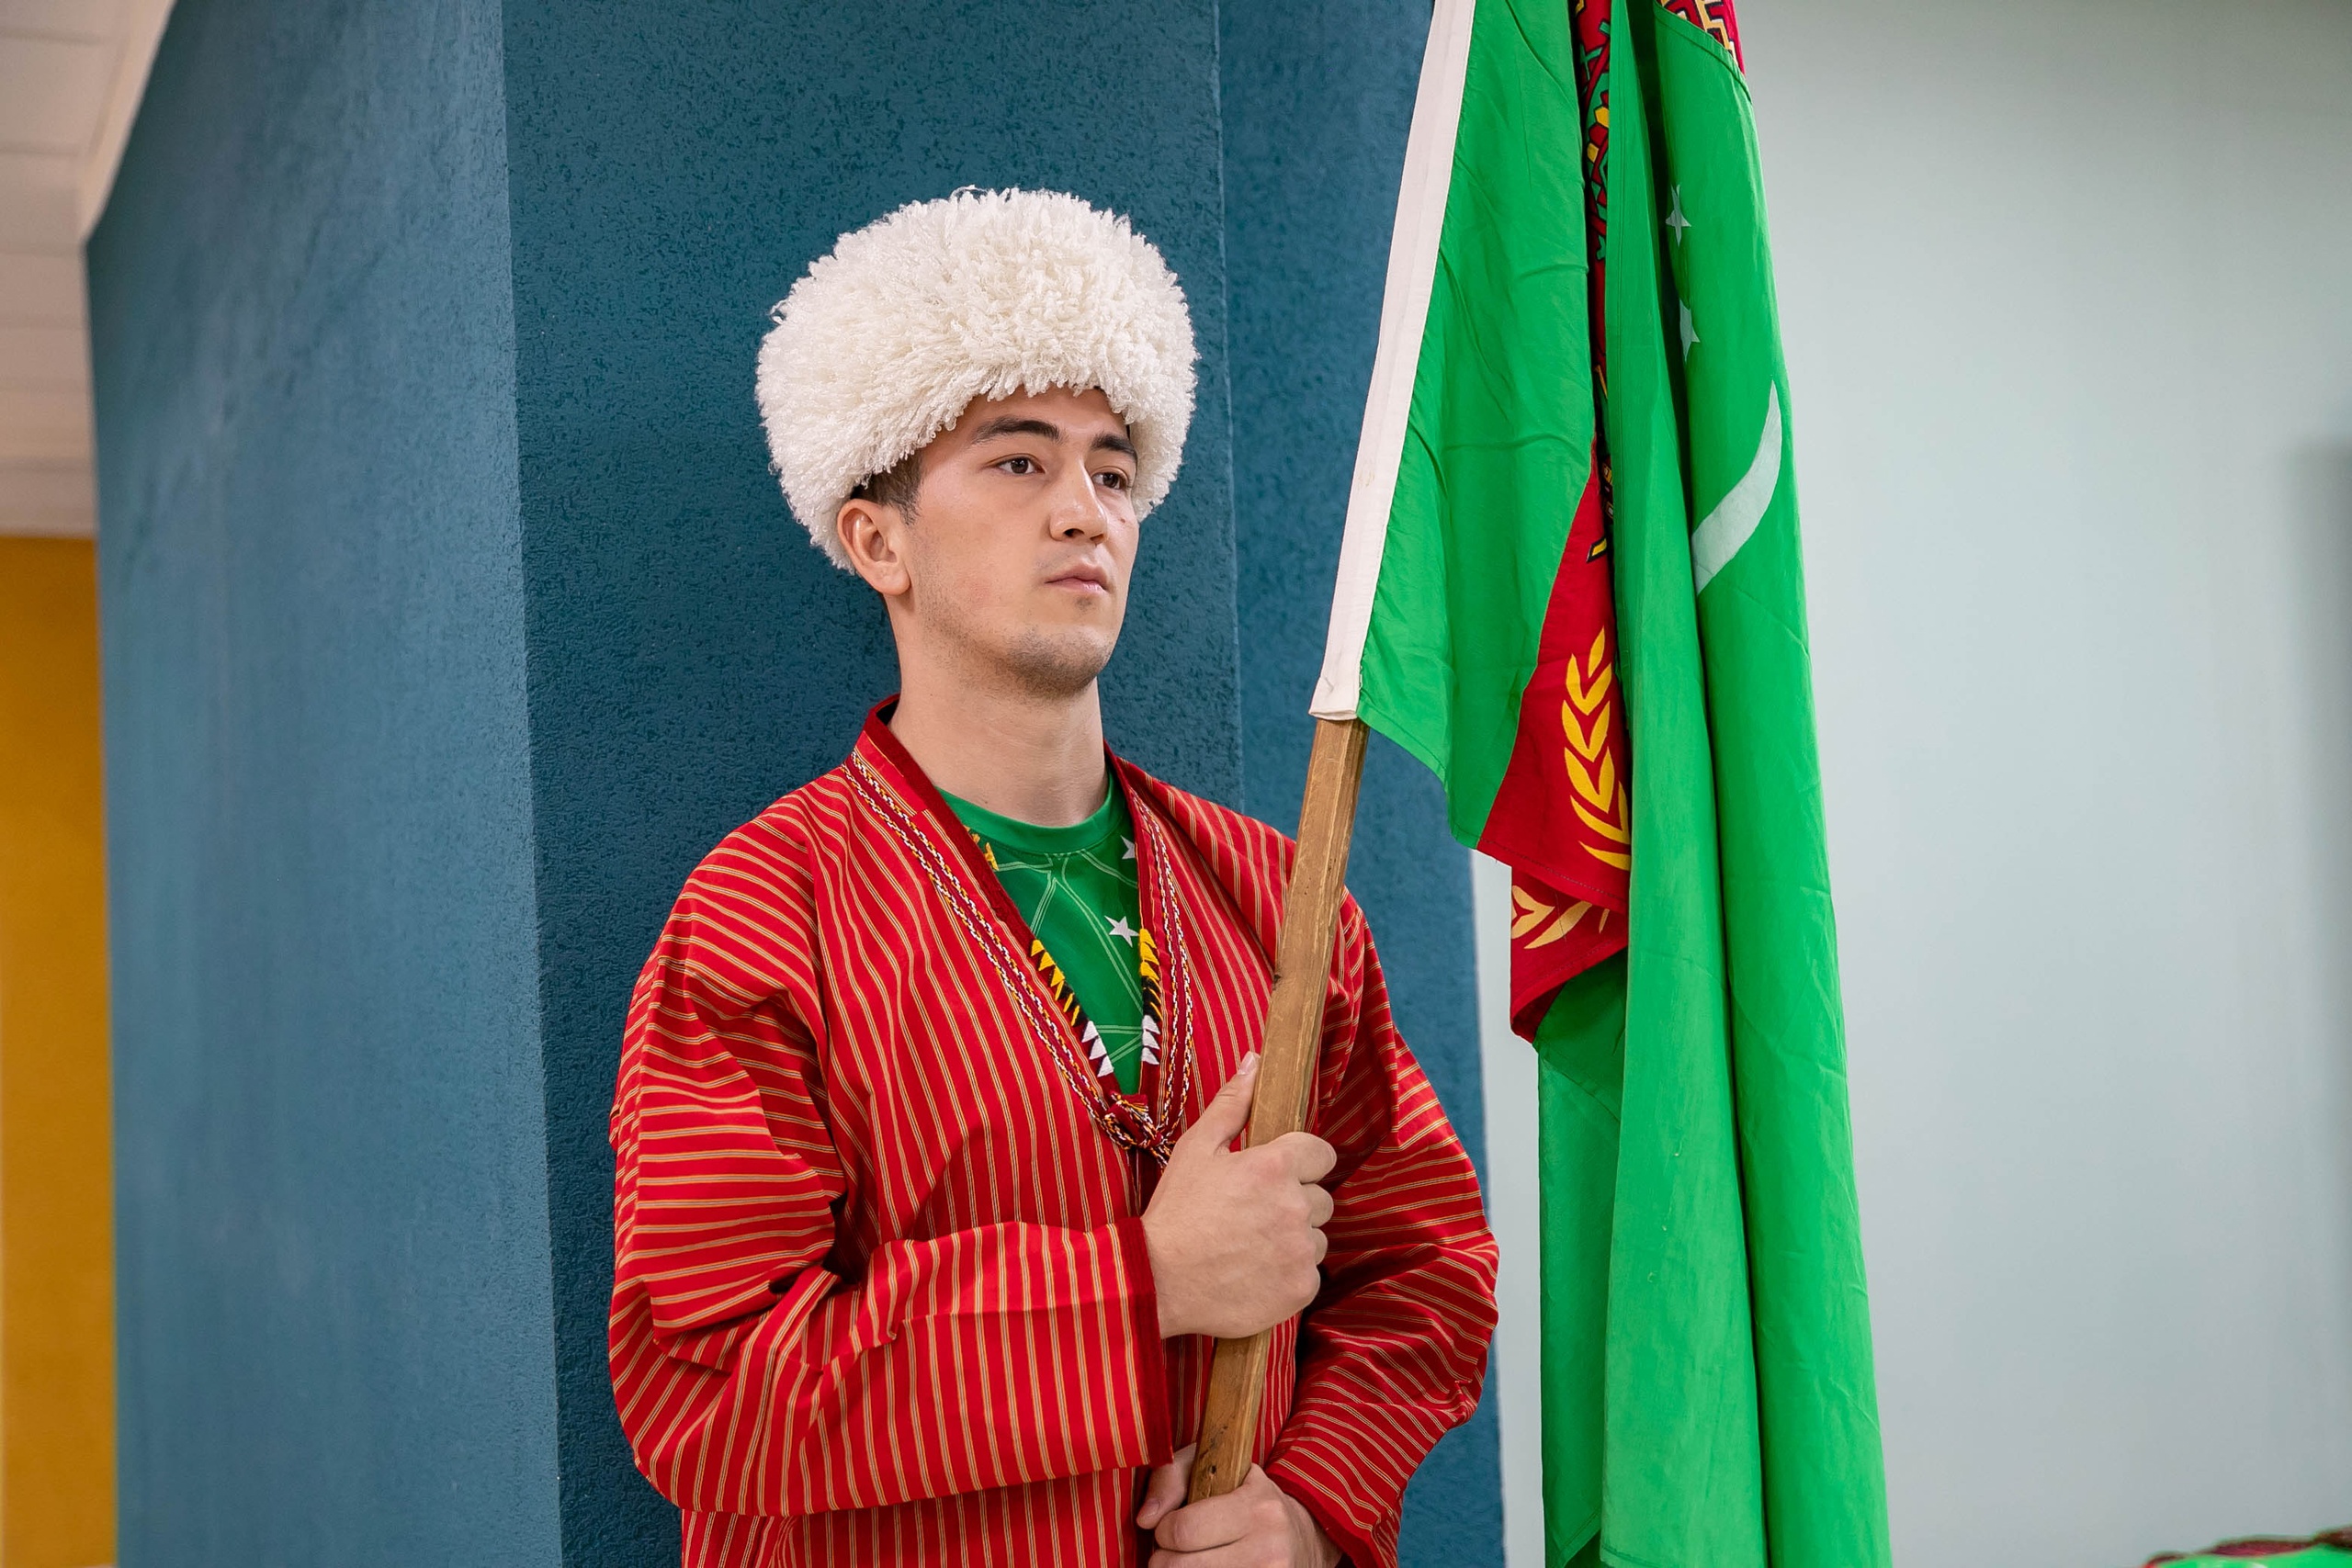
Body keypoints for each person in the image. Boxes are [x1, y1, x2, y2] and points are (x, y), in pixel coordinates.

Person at [608, 188, 1497, 1568]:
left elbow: (1426, 1269)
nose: (1086, 511)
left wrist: (1310, 1510)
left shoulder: (1277, 896)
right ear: (878, 540)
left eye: (1114, 471)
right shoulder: (765, 914)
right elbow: (710, 1386)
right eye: (1018, 461)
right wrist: (1145, 1284)